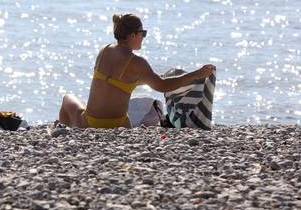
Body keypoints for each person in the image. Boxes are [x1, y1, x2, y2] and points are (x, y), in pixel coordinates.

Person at [58, 13, 215, 128]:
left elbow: (116, 82)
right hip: (117, 125)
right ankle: (66, 131)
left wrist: (149, 79)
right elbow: (163, 86)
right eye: (143, 33)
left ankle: (64, 132)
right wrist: (197, 74)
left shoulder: (104, 51)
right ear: (133, 35)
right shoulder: (137, 62)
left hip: (90, 123)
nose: (143, 37)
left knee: (67, 98)